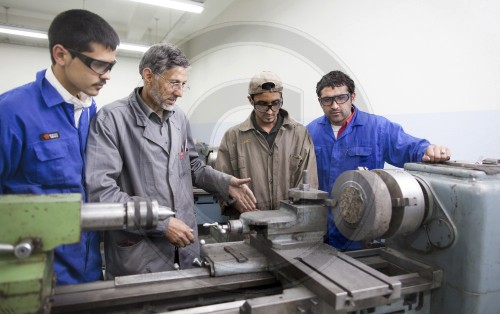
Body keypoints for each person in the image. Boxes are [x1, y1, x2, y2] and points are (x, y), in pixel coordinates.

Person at [85, 43, 257, 278]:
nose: (180, 92)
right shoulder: (111, 119)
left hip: (184, 245)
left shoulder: (179, 118)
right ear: (148, 76)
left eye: (184, 84)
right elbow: (101, 193)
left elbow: (193, 166)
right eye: (174, 83)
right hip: (139, 251)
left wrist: (224, 183)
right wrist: (159, 223)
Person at [0, 9, 119, 284]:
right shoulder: (12, 113)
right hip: (33, 274)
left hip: (88, 270)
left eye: (111, 65)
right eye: (98, 65)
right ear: (61, 55)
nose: (107, 76)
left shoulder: (90, 111)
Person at [306, 70, 451, 251]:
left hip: (364, 228)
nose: (334, 105)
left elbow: (409, 147)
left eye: (341, 98)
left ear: (352, 96)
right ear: (320, 102)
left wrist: (429, 150)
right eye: (327, 100)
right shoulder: (310, 132)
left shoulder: (378, 128)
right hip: (321, 229)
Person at [215, 71, 318, 218]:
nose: (270, 111)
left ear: (281, 98)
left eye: (275, 103)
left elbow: (310, 184)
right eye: (262, 104)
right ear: (251, 100)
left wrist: (293, 217)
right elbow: (221, 183)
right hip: (248, 226)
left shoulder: (299, 134)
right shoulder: (233, 137)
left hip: (289, 227)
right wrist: (234, 201)